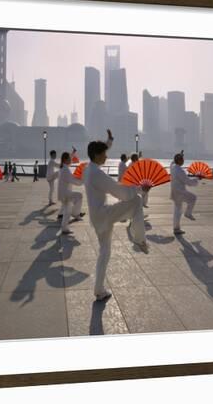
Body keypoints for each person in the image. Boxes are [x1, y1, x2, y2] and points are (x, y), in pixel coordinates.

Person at [83, 129, 149, 301]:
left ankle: (99, 290)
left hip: (96, 217)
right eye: (104, 154)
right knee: (136, 201)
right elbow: (120, 192)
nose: (106, 157)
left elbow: (99, 150)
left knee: (104, 253)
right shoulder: (97, 173)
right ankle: (140, 239)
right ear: (97, 155)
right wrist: (140, 188)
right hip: (104, 215)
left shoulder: (87, 168)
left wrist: (109, 141)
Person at [170, 152, 200, 235]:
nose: (183, 161)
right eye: (182, 159)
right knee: (193, 198)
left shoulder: (172, 167)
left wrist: (180, 155)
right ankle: (188, 213)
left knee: (177, 210)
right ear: (179, 161)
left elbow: (172, 162)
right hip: (180, 192)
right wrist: (197, 179)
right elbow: (188, 182)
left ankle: (176, 228)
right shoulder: (179, 170)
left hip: (175, 191)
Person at [57, 152, 85, 235]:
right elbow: (75, 182)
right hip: (66, 194)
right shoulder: (65, 169)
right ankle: (75, 213)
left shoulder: (63, 168)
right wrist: (83, 178)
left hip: (63, 193)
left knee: (67, 211)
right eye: (69, 158)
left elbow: (72, 177)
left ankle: (64, 228)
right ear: (65, 160)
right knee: (79, 196)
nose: (71, 160)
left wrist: (72, 154)